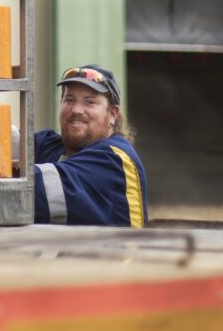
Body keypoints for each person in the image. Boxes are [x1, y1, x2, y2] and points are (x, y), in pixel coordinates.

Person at [34, 64, 148, 227]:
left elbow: (36, 190)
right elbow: (1, 141)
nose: (76, 110)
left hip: (112, 253)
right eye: (69, 100)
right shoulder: (55, 145)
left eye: (89, 102)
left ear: (113, 114)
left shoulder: (113, 159)